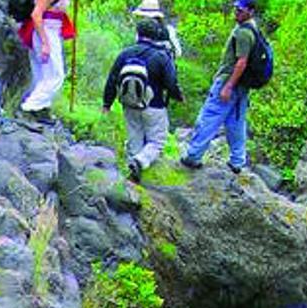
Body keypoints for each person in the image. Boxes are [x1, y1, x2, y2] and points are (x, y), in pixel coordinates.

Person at [180, 0, 262, 173]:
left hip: (229, 82)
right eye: (235, 9)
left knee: (210, 116)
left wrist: (228, 86)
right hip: (242, 86)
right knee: (236, 123)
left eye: (240, 10)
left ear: (250, 11)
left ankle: (193, 156)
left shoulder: (243, 34)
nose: (236, 13)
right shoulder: (254, 30)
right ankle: (237, 162)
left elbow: (241, 62)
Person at [104, 18, 182, 183]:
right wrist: (179, 97)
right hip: (154, 106)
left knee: (135, 140)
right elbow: (171, 83)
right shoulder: (161, 56)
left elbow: (112, 79)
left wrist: (107, 104)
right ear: (156, 36)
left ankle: (133, 178)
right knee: (157, 142)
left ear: (138, 34)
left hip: (129, 105)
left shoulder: (125, 53)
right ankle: (139, 162)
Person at [18, 0, 75, 117]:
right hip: (46, 30)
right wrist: (45, 42)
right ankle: (30, 107)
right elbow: (36, 14)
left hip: (52, 29)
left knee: (41, 75)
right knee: (56, 75)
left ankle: (40, 109)